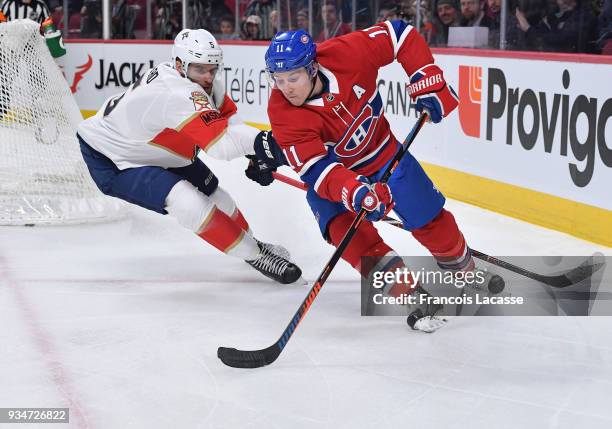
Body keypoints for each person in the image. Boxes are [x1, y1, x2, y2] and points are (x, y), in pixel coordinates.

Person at [251, 24, 503, 332]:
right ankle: (412, 297)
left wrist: (425, 75)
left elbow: (399, 35)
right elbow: (316, 169)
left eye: (294, 78)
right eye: (278, 80)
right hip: (336, 181)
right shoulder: (282, 111)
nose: (286, 88)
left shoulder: (347, 53)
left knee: (432, 222)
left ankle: (464, 271)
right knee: (350, 236)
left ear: (313, 67)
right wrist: (355, 192)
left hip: (387, 157)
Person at [76, 29, 302, 285]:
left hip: (156, 147)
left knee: (218, 196)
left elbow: (228, 119)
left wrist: (254, 154)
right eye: (200, 70)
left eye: (212, 69)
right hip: (112, 157)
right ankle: (257, 256)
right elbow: (221, 147)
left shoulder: (197, 80)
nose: (207, 77)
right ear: (180, 64)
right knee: (188, 203)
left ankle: (252, 244)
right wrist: (268, 145)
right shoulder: (178, 92)